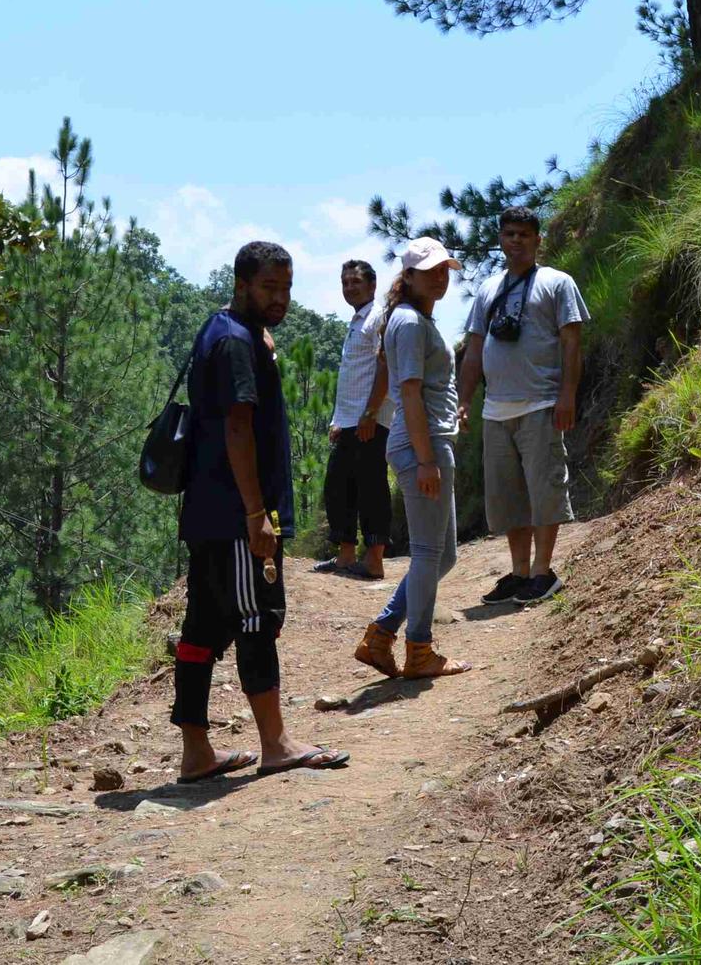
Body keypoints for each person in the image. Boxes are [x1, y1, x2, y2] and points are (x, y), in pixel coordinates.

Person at [171, 241, 349, 781]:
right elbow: (238, 427)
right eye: (269, 287)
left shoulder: (225, 331)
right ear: (242, 284)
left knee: (201, 628)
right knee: (257, 619)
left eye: (287, 288)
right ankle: (275, 744)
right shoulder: (235, 344)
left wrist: (261, 342)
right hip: (234, 517)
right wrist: (256, 514)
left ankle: (197, 754)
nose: (281, 298)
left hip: (207, 512)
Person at [352, 237, 474, 680]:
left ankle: (382, 635)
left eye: (445, 269)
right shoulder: (408, 322)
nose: (441, 277)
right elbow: (407, 393)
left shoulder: (414, 320)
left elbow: (423, 390)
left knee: (442, 557)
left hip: (431, 440)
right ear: (409, 276)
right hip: (421, 447)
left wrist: (449, 415)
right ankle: (418, 650)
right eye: (431, 270)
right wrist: (426, 459)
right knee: (427, 553)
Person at [457, 206, 589, 606]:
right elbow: (474, 349)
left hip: (541, 404)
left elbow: (572, 342)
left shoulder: (557, 283)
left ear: (537, 240)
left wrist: (567, 396)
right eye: (509, 234)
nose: (515, 241)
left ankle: (543, 572)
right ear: (500, 238)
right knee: (509, 498)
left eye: (524, 235)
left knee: (544, 490)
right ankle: (518, 573)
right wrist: (463, 400)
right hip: (496, 410)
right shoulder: (488, 289)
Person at [315, 259, 393, 579]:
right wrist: (338, 418)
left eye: (356, 282)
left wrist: (371, 412)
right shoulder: (355, 321)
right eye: (345, 282)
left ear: (372, 285)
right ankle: (345, 556)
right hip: (348, 419)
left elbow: (385, 367)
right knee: (338, 486)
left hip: (369, 419)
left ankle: (374, 560)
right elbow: (351, 375)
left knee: (371, 487)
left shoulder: (378, 317)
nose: (349, 288)